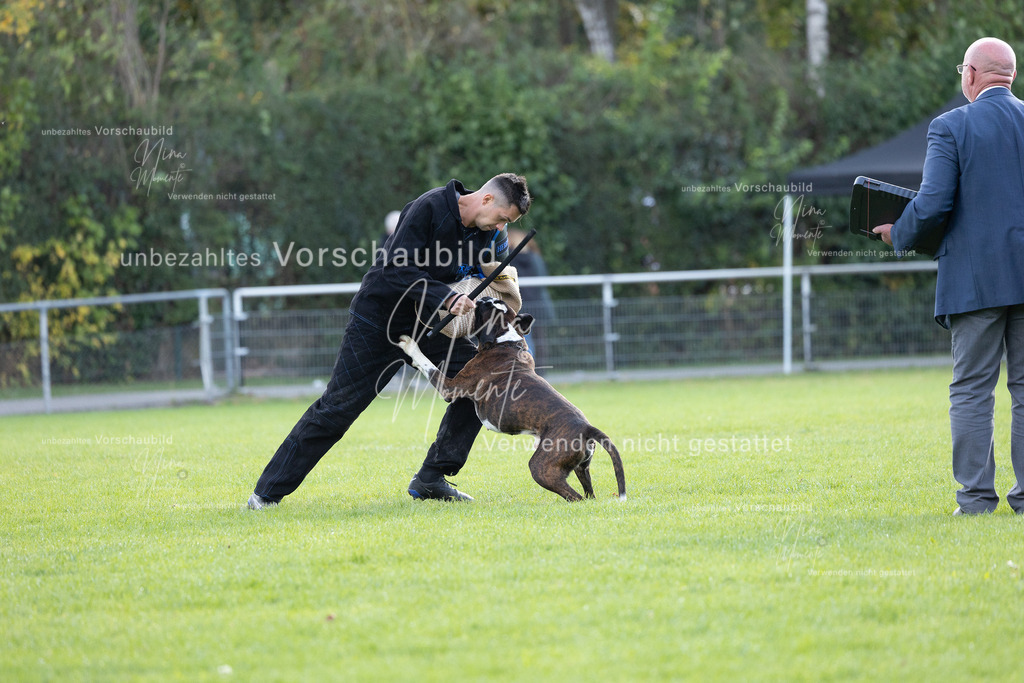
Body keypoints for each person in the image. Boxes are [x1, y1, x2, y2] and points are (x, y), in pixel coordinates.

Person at [247, 173, 532, 508]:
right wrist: (446, 297)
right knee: (338, 408)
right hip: (379, 320)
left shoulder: (490, 234)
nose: (501, 227)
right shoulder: (429, 207)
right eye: (502, 218)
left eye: (507, 223)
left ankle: (431, 478)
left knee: (482, 383)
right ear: (486, 199)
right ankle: (265, 494)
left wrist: (501, 286)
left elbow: (490, 273)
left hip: (429, 325)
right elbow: (397, 268)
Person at [873, 37, 1024, 515]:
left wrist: (899, 232)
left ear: (972, 75)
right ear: (1012, 76)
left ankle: (976, 500)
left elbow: (934, 202)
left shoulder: (951, 126)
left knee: (973, 389)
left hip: (976, 281)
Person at [508, 228, 556, 367]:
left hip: (520, 306)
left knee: (524, 341)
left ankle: (526, 370)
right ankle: (539, 371)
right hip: (540, 306)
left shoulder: (510, 259)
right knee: (539, 341)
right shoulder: (536, 258)